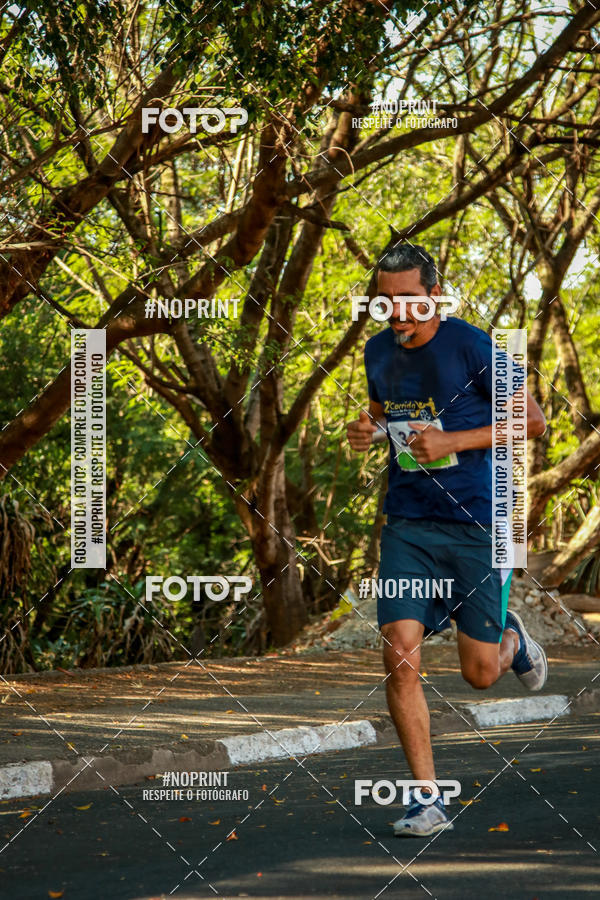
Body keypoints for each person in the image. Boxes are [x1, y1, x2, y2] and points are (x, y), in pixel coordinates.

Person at [347, 243, 547, 838]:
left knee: (480, 675)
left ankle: (511, 639)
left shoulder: (472, 344)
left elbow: (533, 420)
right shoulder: (376, 350)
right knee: (400, 656)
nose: (398, 313)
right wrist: (369, 427)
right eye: (385, 302)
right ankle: (425, 800)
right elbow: (385, 410)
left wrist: (456, 442)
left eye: (409, 300)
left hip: (478, 525)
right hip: (408, 523)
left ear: (434, 295)